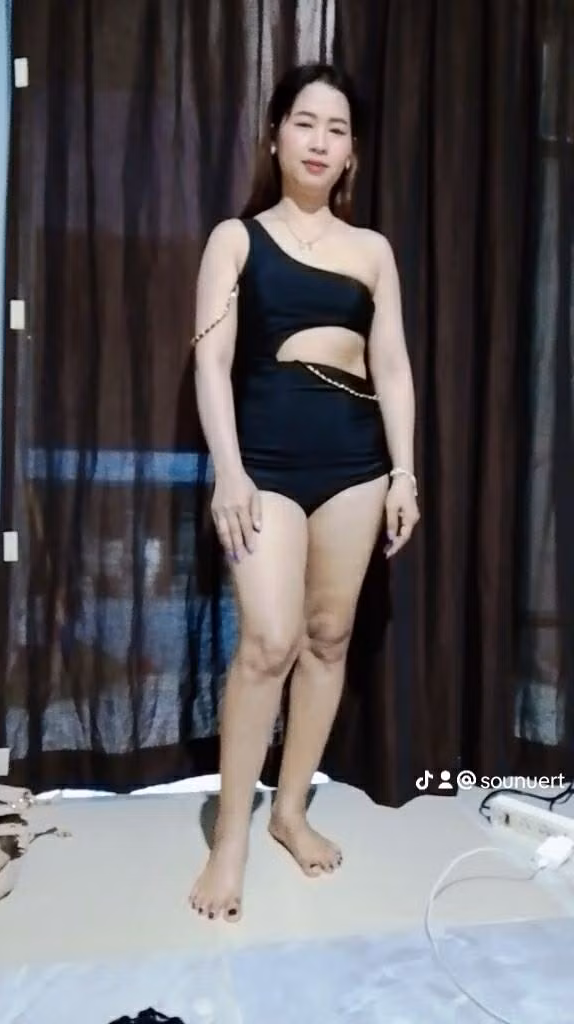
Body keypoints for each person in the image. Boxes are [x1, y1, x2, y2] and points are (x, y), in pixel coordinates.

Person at [189, 62, 420, 923]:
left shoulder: (373, 251)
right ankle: (232, 837)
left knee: (328, 636)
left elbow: (392, 366)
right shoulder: (235, 239)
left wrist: (404, 471)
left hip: (356, 463)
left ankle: (289, 811)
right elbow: (210, 360)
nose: (320, 141)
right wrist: (229, 470)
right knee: (268, 640)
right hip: (266, 465)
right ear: (276, 135)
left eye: (338, 129)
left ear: (352, 152)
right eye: (305, 122)